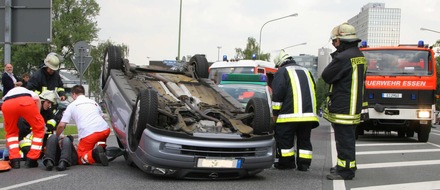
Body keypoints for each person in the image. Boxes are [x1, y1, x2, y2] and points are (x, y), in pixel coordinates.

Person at [322, 22, 366, 180]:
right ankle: (347, 165)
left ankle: (345, 171)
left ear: (341, 40)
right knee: (348, 138)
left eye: (335, 41)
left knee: (344, 140)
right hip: (354, 106)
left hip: (344, 106)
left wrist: (335, 58)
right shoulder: (359, 56)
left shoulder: (343, 57)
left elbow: (326, 76)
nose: (334, 44)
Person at [271, 51, 319, 171]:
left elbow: (277, 95)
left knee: (285, 139)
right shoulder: (306, 71)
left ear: (279, 63)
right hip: (308, 115)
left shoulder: (282, 72)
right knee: (304, 140)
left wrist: (275, 114)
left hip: (288, 115)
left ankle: (287, 163)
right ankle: (304, 164)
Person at [55, 85, 110, 167]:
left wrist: (56, 136)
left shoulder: (72, 105)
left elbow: (61, 125)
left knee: (80, 158)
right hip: (104, 130)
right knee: (100, 138)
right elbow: (102, 117)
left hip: (89, 134)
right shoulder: (94, 102)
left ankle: (95, 154)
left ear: (74, 94)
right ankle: (101, 148)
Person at [2, 86, 46, 169]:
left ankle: (15, 160)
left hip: (7, 104)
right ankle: (32, 159)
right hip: (26, 102)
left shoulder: (8, 93)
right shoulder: (29, 92)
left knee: (11, 133)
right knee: (39, 128)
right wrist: (37, 115)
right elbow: (37, 99)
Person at [18, 91, 58, 158]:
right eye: (48, 102)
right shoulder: (30, 110)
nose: (49, 105)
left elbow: (53, 120)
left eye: (51, 103)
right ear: (42, 101)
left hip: (39, 138)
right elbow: (22, 129)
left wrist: (48, 127)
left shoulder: (47, 111)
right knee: (29, 154)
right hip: (26, 138)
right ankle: (20, 154)